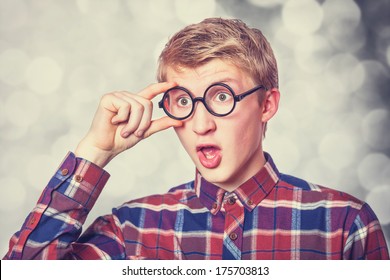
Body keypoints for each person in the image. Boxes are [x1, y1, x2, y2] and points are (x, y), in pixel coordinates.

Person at [3, 17, 389, 260]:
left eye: (221, 97)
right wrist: (95, 151)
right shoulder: (131, 230)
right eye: (183, 101)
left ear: (267, 104)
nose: (200, 124)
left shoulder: (344, 225)